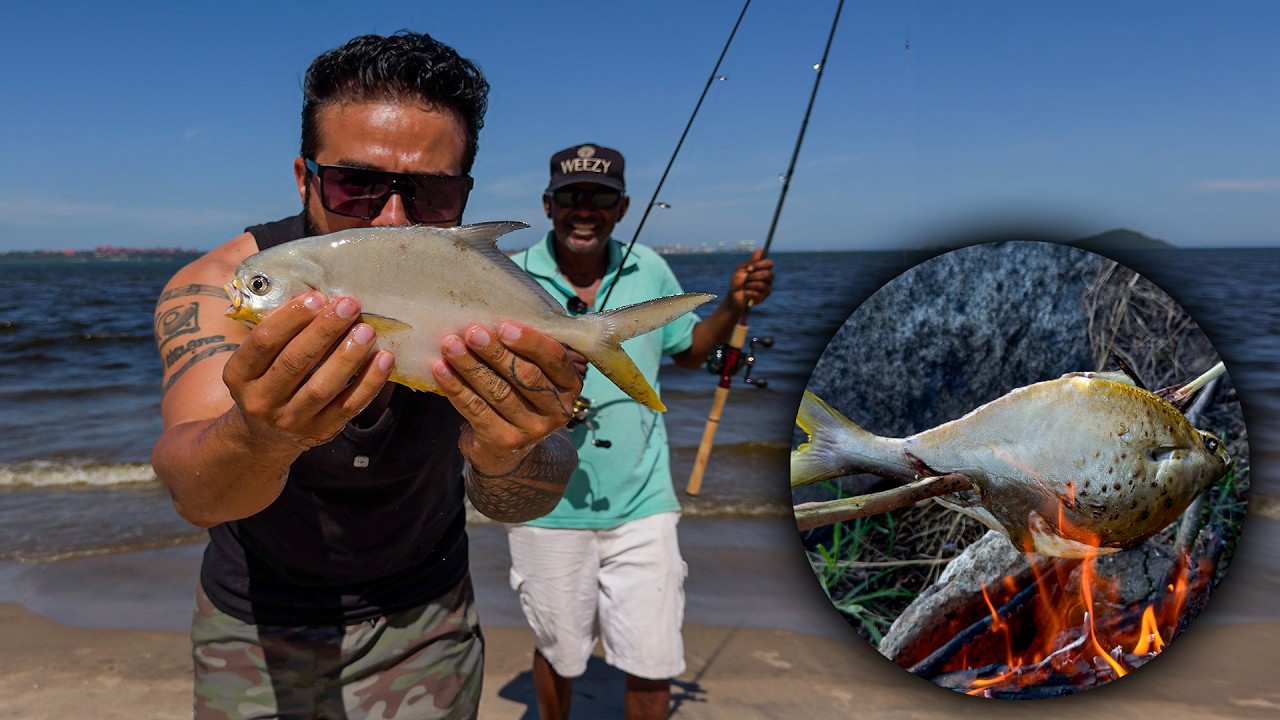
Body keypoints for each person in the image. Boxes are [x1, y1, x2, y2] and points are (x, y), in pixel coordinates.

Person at [150, 32, 582, 719]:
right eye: (357, 186)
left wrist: (511, 451)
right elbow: (195, 491)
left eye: (433, 195)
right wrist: (259, 433)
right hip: (257, 618)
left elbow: (531, 494)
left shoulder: (497, 303)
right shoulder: (223, 287)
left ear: (466, 194)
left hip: (427, 615)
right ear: (304, 178)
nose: (392, 218)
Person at [506, 143, 775, 719]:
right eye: (571, 196)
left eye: (599, 197)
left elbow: (689, 351)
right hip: (542, 503)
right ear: (548, 204)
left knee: (652, 657)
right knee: (557, 651)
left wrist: (732, 302)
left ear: (622, 205)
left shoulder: (650, 269)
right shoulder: (511, 276)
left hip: (644, 502)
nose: (585, 209)